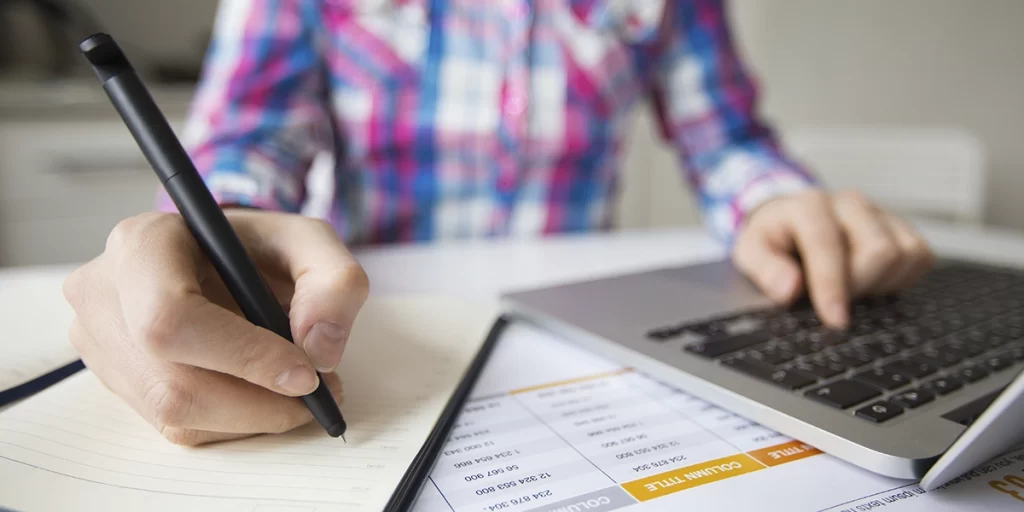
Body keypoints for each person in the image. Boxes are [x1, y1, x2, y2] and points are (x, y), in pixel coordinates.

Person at [62, 0, 934, 446]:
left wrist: (773, 201)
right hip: (375, 331)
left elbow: (728, 139)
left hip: (579, 340)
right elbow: (250, 139)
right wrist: (216, 232)